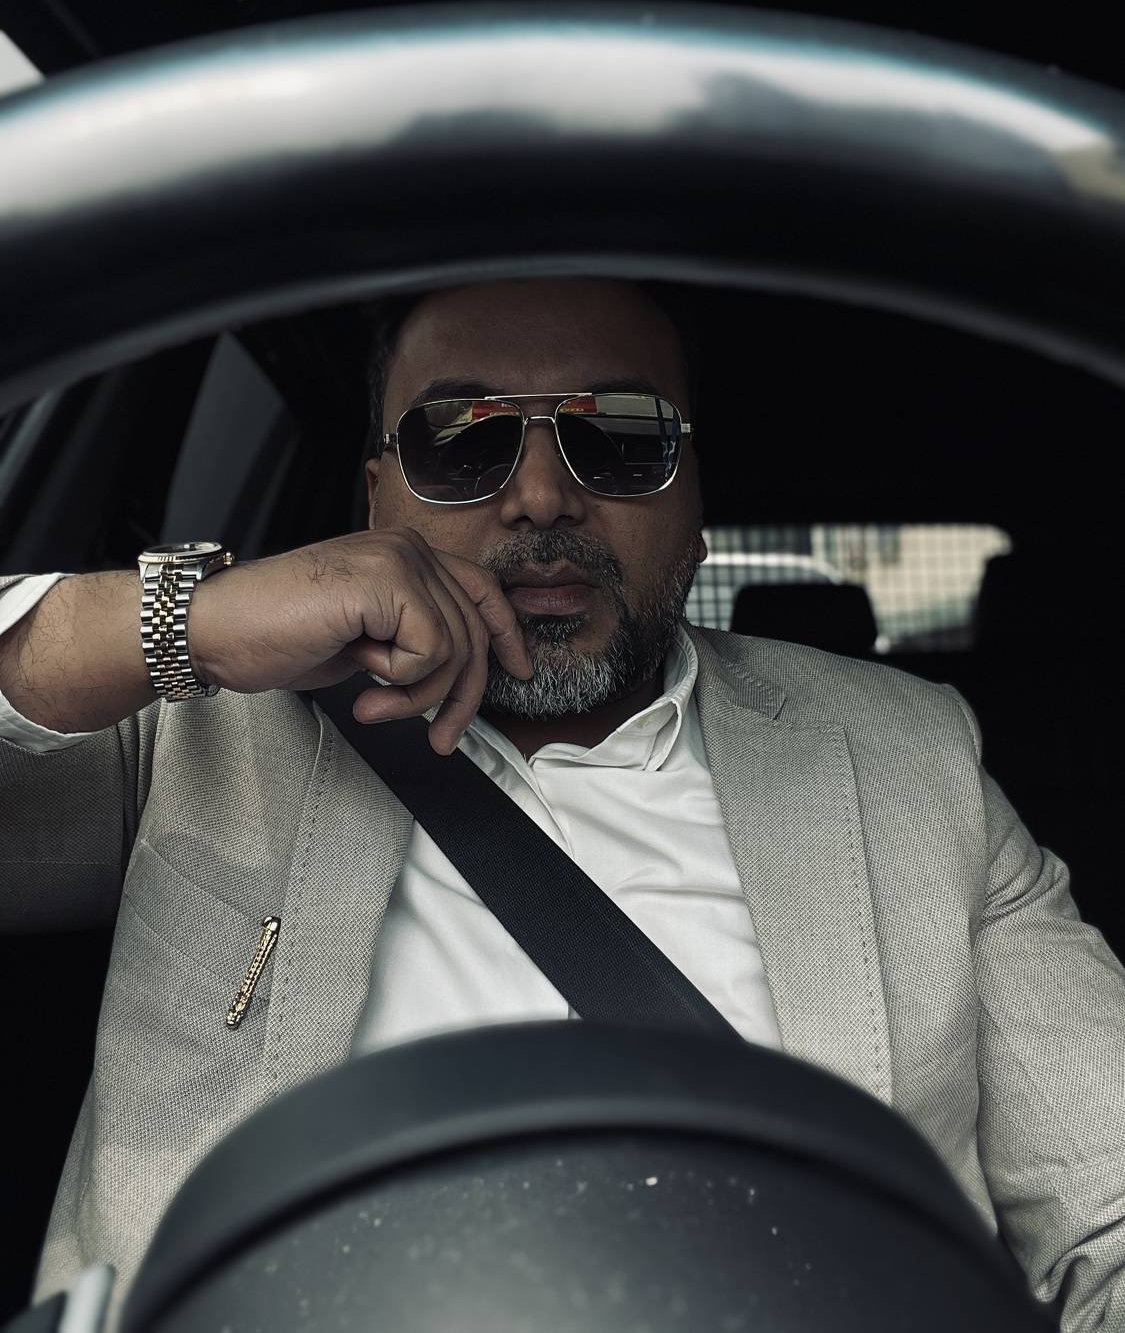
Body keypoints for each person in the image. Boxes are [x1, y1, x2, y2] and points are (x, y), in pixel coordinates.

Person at [0, 276, 1122, 1332]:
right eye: (461, 441)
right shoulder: (200, 722)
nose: (540, 497)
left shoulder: (911, 759)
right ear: (376, 493)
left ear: (695, 494)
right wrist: (189, 621)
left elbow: (1109, 1209)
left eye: (622, 437)